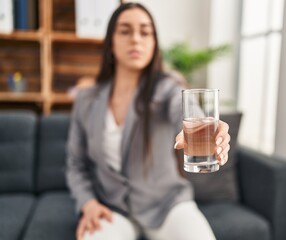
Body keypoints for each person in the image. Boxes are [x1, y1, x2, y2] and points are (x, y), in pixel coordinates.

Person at [66, 3, 231, 240]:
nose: (136, 39)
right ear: (110, 42)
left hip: (167, 206)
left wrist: (205, 130)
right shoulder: (86, 100)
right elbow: (76, 164)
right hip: (113, 209)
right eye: (125, 31)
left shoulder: (167, 88)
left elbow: (186, 111)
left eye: (145, 32)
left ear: (154, 43)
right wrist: (88, 203)